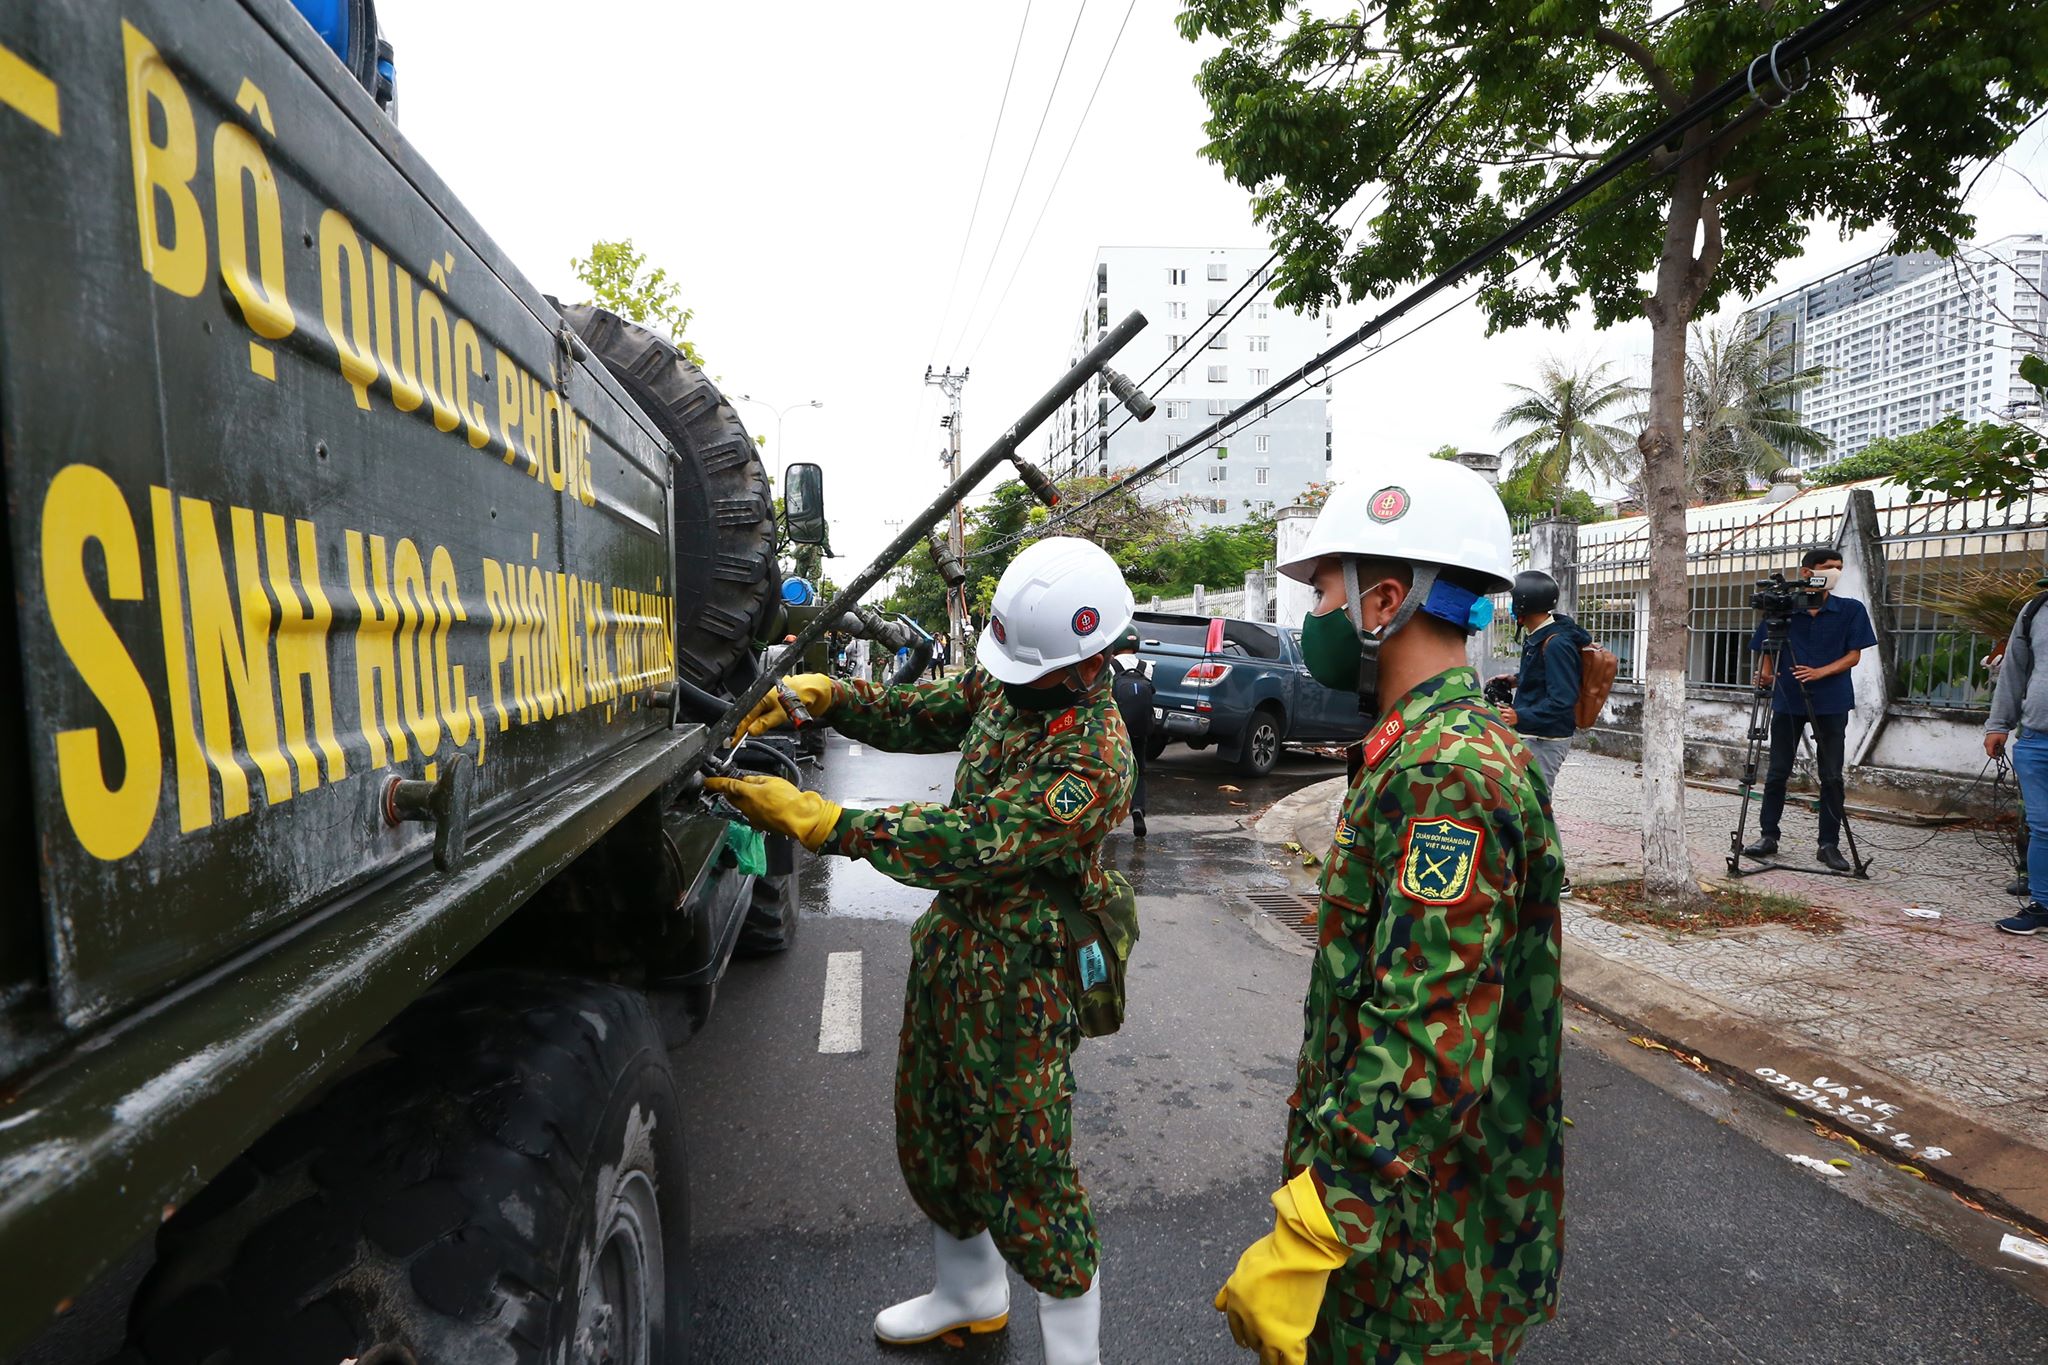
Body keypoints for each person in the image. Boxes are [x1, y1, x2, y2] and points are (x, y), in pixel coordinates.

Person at [708, 536, 1136, 1364]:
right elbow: (921, 714)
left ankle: (1075, 1356)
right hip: (955, 954)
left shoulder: (1094, 753)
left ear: (1087, 663)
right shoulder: (1020, 678)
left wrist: (833, 823)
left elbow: (981, 838)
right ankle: (970, 1295)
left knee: (1027, 1168)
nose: (1004, 678)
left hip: (1023, 982)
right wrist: (825, 698)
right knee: (933, 1131)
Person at [1215, 457, 1564, 1364]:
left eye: (1326, 590)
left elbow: (1430, 1027)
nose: (1315, 615)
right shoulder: (1434, 748)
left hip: (1415, 1248)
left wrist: (1319, 1221)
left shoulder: (1444, 771)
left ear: (1385, 603)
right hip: (1400, 1223)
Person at [1742, 547, 1878, 872]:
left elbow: (1854, 655)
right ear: (1807, 572)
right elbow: (1766, 646)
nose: (1835, 571)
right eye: (1828, 566)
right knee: (1777, 771)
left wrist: (1821, 672)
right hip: (1787, 698)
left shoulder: (1850, 610)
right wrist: (1765, 671)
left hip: (1832, 699)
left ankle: (1828, 845)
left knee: (1831, 775)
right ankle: (1768, 836)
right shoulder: (1784, 609)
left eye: (1839, 567)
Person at [1498, 570, 1590, 898]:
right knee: (1526, 802)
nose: (1510, 608)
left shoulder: (1557, 642)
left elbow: (1563, 699)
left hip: (1547, 739)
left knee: (1538, 804)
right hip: (1534, 733)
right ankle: (1526, 868)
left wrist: (1519, 714)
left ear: (1524, 604)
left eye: (1512, 601)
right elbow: (1542, 677)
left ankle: (1557, 877)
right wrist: (1516, 679)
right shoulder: (1542, 632)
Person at [1984, 573, 2048, 935]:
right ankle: (2042, 906)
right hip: (2037, 738)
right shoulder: (2035, 610)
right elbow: (2014, 671)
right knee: (2042, 826)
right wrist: (1998, 724)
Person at [1109, 627, 1156, 838]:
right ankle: (1137, 808)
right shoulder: (1147, 667)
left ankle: (1111, 815)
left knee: (1114, 770)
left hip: (1117, 728)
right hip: (1140, 727)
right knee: (1139, 770)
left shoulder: (1110, 667)